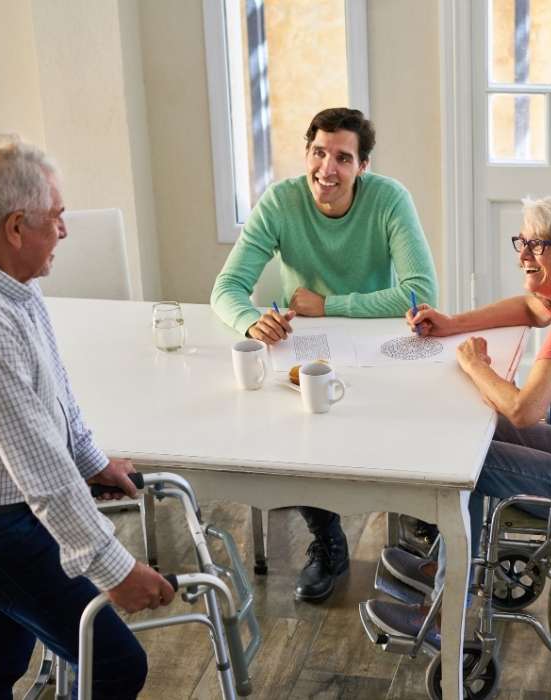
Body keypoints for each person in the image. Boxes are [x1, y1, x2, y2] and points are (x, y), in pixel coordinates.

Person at [0, 134, 174, 699]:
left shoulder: (5, 278)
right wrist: (117, 570)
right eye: (56, 217)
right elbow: (43, 472)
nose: (65, 229)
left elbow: (51, 388)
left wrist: (93, 461)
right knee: (115, 665)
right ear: (15, 227)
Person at [362, 195, 551, 640]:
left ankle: (444, 611)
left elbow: (525, 411)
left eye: (538, 245)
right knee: (476, 435)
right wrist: (453, 325)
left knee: (464, 464)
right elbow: (530, 307)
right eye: (522, 242)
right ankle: (451, 565)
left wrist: (475, 366)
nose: (523, 255)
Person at [210, 107, 438, 603]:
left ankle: (420, 532)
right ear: (306, 153)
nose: (326, 169)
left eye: (342, 157)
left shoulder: (389, 199)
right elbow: (226, 287)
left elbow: (421, 293)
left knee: (408, 413)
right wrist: (249, 319)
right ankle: (328, 540)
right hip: (311, 349)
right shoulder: (281, 201)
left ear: (363, 167)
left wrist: (329, 304)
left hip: (379, 343)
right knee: (298, 426)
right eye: (318, 152)